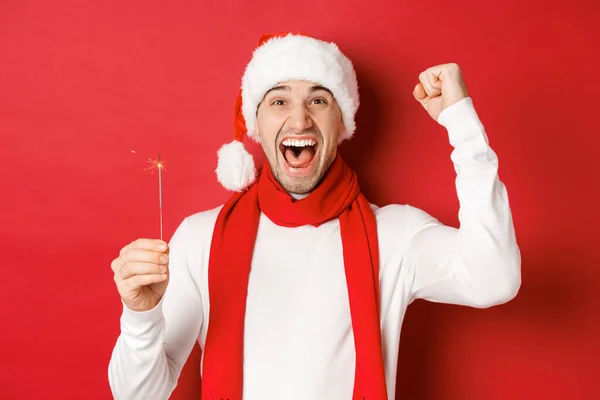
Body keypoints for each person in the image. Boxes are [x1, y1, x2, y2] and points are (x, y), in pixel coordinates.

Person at [108, 33, 521, 400]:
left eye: (319, 100)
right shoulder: (200, 237)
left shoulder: (395, 235)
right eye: (279, 100)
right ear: (256, 122)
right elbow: (136, 395)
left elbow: (494, 279)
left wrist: (462, 125)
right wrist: (140, 315)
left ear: (342, 121)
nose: (300, 118)